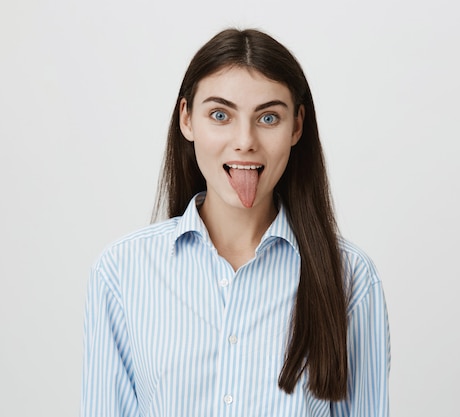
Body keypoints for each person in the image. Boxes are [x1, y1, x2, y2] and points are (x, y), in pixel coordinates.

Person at [81, 28, 390, 417]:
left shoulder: (351, 278)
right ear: (187, 120)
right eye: (220, 115)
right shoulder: (121, 271)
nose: (245, 140)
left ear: (296, 127)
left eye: (268, 117)